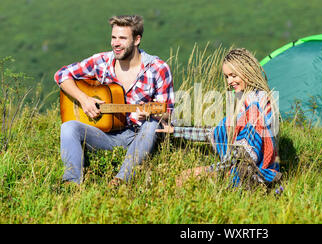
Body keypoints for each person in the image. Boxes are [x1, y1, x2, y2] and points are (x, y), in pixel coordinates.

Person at [54, 15, 174, 186]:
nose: (116, 43)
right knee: (68, 127)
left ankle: (121, 180)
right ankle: (71, 183)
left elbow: (168, 114)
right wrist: (84, 99)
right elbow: (61, 75)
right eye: (113, 37)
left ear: (136, 40)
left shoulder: (157, 69)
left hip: (139, 136)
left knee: (151, 124)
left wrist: (151, 114)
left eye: (122, 38)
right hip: (105, 134)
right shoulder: (101, 61)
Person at [168, 48, 281, 188]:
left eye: (233, 75)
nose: (229, 81)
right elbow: (215, 133)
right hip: (242, 171)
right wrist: (174, 131)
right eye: (227, 77)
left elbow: (244, 153)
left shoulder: (256, 103)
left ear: (246, 71)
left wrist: (207, 171)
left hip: (254, 176)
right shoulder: (244, 100)